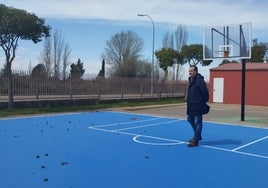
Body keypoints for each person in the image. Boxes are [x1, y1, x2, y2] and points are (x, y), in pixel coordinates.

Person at [186, 65, 209, 147]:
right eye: (189, 71)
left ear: (196, 71)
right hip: (191, 106)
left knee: (197, 122)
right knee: (189, 119)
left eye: (191, 71)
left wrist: (201, 102)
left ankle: (195, 140)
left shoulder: (200, 81)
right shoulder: (191, 80)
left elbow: (206, 94)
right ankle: (198, 135)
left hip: (198, 106)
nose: (190, 72)